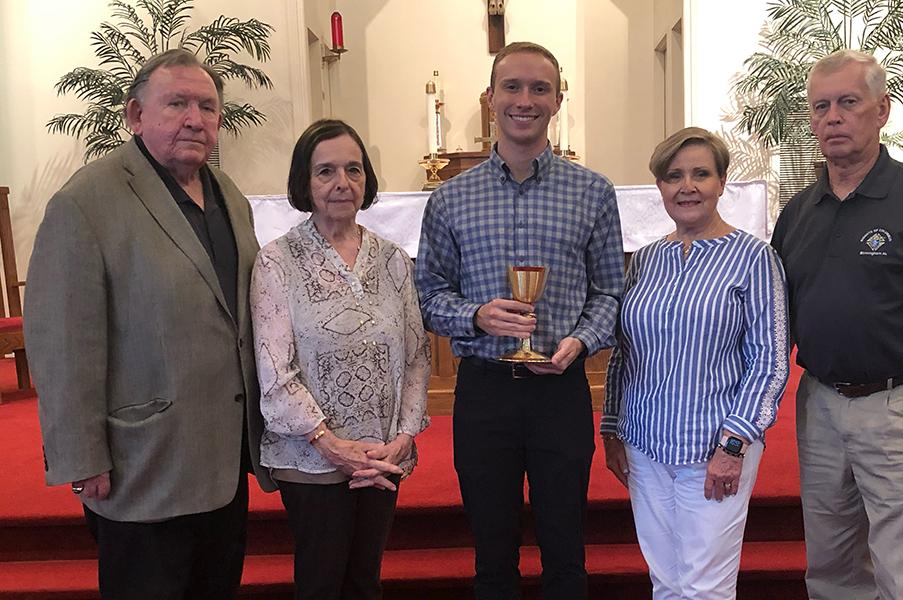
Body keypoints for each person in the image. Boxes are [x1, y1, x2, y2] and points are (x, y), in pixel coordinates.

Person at [24, 49, 275, 598]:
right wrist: (81, 454)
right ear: (136, 116)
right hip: (144, 464)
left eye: (207, 106)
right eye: (177, 103)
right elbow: (63, 343)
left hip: (224, 459)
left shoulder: (228, 196)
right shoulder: (87, 202)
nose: (195, 118)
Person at [771, 49, 903, 600]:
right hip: (819, 405)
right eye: (821, 107)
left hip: (902, 407)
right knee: (832, 571)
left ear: (882, 110)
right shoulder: (798, 213)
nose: (833, 118)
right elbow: (772, 320)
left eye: (849, 103)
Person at [416, 41, 625, 599]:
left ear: (558, 99)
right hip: (485, 394)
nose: (524, 100)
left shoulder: (593, 193)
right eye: (511, 87)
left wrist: (582, 340)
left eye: (539, 88)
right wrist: (477, 315)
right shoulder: (450, 199)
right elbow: (428, 295)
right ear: (489, 98)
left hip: (560, 391)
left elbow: (610, 290)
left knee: (566, 551)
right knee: (492, 555)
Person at [601, 127, 789, 599]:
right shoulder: (644, 261)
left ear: (721, 183)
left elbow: (769, 361)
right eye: (673, 176)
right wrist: (611, 429)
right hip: (644, 443)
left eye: (700, 174)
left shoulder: (753, 257)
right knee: (665, 579)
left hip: (714, 448)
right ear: (660, 187)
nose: (686, 186)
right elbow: (624, 352)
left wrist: (734, 444)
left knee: (705, 585)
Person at [250, 119, 430, 599]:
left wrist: (402, 438)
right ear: (304, 183)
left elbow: (416, 355)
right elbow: (274, 369)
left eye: (353, 169)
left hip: (382, 453)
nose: (342, 183)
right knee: (322, 582)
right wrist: (331, 444)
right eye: (325, 171)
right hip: (311, 456)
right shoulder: (276, 262)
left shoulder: (392, 259)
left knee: (365, 580)